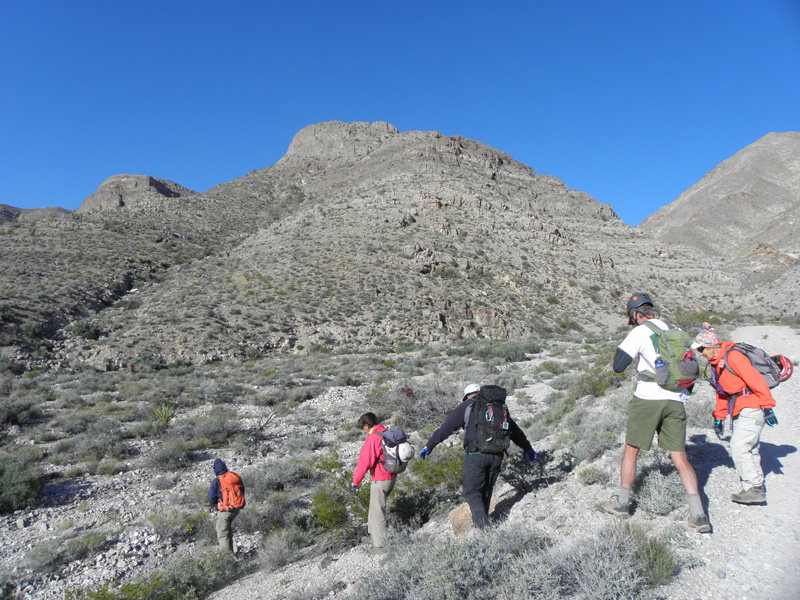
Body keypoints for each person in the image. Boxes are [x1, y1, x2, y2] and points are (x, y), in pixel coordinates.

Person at [606, 293, 711, 533]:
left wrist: (629, 338)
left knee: (632, 449)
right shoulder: (675, 328)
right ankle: (699, 514)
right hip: (676, 398)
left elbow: (618, 366)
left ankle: (623, 503)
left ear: (634, 314)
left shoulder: (639, 332)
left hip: (647, 399)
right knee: (679, 456)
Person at [419, 384, 537, 529]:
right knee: (486, 490)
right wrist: (527, 447)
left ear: (467, 396)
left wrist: (429, 445)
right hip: (497, 455)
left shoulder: (468, 405)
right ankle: (485, 520)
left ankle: (483, 529)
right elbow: (515, 431)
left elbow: (446, 428)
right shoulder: (497, 407)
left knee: (472, 492)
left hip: (476, 455)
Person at [692, 323, 777, 505]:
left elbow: (755, 381)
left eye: (701, 349)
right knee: (750, 447)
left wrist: (768, 406)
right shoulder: (717, 363)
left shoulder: (734, 357)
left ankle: (753, 488)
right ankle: (756, 485)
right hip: (739, 408)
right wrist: (719, 417)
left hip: (752, 406)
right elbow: (722, 392)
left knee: (739, 446)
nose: (699, 353)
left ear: (712, 347)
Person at [352, 412, 397, 552]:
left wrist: (356, 481)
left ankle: (380, 545)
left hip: (381, 478)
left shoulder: (373, 438)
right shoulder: (385, 431)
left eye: (363, 427)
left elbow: (364, 462)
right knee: (374, 507)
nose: (363, 430)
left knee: (378, 511)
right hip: (391, 475)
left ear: (366, 425)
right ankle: (373, 536)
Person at [207, 458, 245, 553]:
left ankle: (226, 559)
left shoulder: (217, 481)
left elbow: (211, 498)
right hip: (236, 509)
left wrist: (218, 502)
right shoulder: (235, 477)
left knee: (223, 533)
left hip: (225, 511)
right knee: (227, 530)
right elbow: (242, 491)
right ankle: (231, 551)